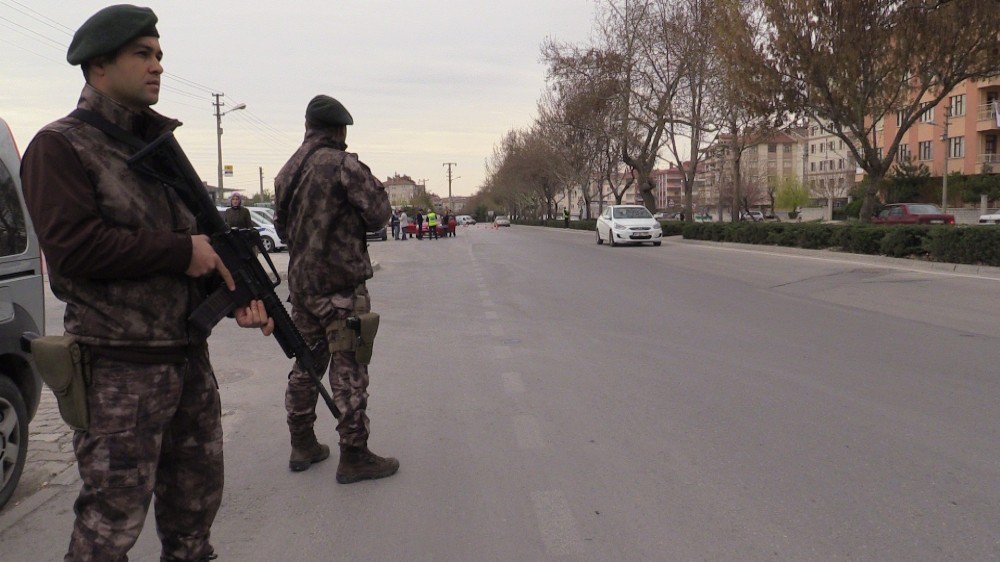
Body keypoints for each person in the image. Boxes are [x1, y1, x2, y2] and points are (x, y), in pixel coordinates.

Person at [19, 6, 274, 560]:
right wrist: (185, 253)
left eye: (159, 55)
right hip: (119, 373)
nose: (158, 66)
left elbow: (199, 245)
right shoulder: (61, 146)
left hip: (187, 363)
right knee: (108, 532)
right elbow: (73, 250)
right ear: (99, 66)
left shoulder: (159, 150)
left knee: (193, 526)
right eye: (143, 54)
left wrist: (235, 300)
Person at [274, 94, 399, 482]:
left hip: (303, 288)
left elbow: (281, 229)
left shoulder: (286, 172)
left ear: (309, 126)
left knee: (306, 365)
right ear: (339, 130)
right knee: (349, 369)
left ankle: (302, 442)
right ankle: (354, 454)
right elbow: (380, 217)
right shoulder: (343, 166)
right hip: (340, 286)